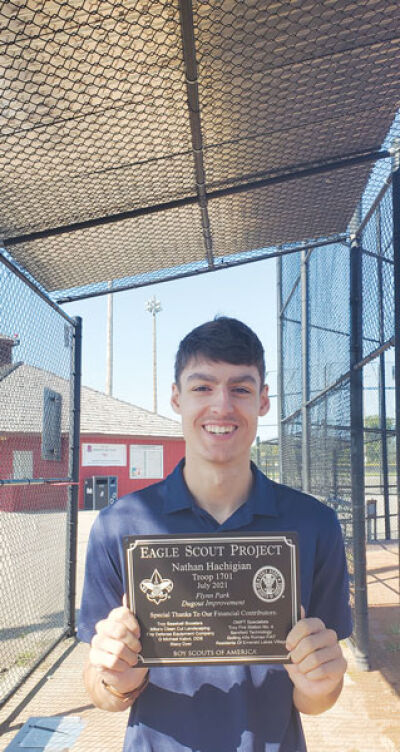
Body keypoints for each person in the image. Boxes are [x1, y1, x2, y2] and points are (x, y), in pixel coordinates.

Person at [78, 317, 352, 751]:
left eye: (240, 389)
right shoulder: (119, 526)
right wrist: (115, 680)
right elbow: (100, 690)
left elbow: (318, 699)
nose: (222, 406)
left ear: (263, 401)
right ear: (176, 397)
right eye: (202, 387)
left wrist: (321, 685)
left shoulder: (314, 525)